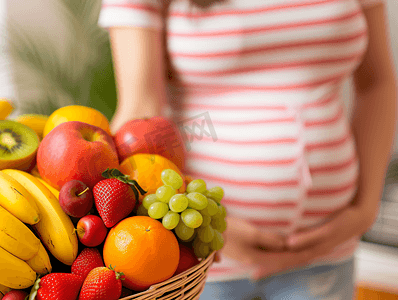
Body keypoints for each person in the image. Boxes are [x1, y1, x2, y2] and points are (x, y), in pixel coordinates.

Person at [99, 0, 397, 299]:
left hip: (327, 251)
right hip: (200, 263)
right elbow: (141, 114)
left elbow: (378, 84)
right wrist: (207, 225)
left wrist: (365, 209)